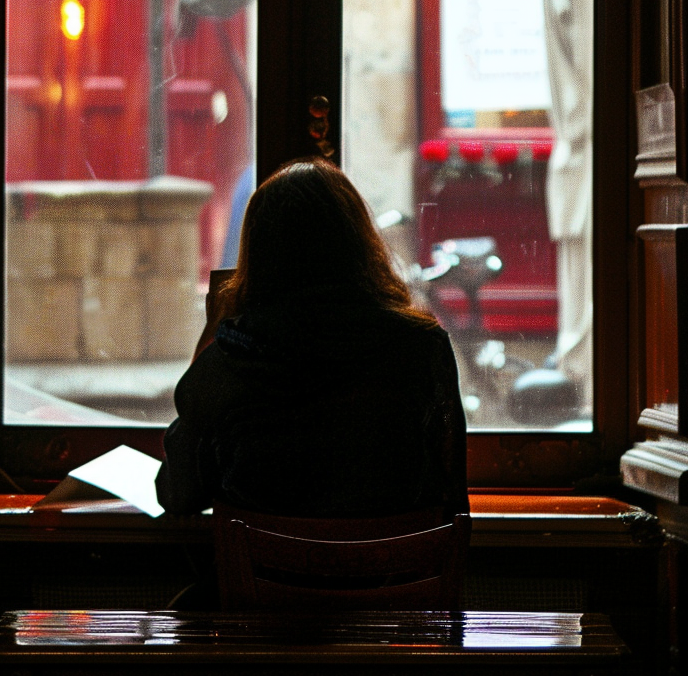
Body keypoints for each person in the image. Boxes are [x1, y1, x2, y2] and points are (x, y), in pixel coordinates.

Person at [156, 159, 468, 519]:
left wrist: (211, 338)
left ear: (259, 255)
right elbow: (451, 495)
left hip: (264, 574)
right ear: (359, 245)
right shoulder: (421, 347)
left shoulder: (232, 359)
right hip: (394, 574)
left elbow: (177, 494)